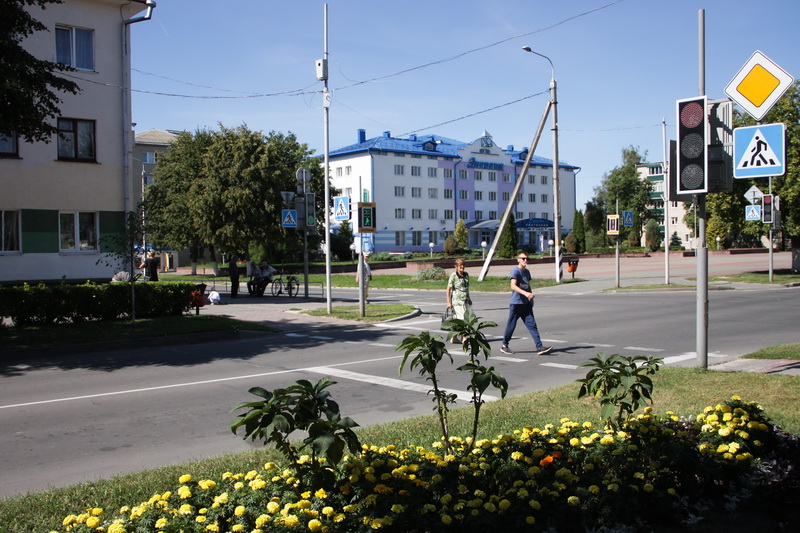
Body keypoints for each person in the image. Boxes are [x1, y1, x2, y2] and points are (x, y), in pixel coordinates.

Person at [500, 252, 553, 356]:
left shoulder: (527, 272)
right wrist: (525, 293)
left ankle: (539, 346)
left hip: (525, 303)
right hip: (516, 303)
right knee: (511, 325)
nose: (525, 261)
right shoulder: (515, 271)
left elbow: (528, 285)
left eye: (527, 259)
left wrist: (530, 298)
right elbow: (513, 286)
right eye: (523, 258)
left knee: (532, 325)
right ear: (518, 259)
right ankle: (504, 345)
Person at [446, 258, 472, 342]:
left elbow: (466, 288)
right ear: (456, 267)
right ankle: (463, 337)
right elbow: (448, 289)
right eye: (460, 265)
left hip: (465, 301)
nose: (462, 267)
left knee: (458, 319)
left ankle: (454, 337)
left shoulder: (466, 275)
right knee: (463, 319)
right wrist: (449, 302)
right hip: (457, 302)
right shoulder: (453, 276)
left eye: (463, 265)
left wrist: (469, 298)